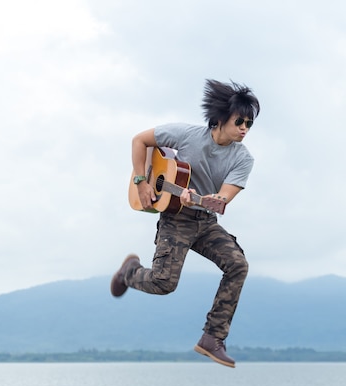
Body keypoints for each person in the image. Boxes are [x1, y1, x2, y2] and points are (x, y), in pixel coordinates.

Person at [110, 79, 260, 368]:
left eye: (249, 123)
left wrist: (210, 198)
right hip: (175, 218)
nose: (244, 128)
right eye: (239, 121)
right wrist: (142, 181)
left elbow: (225, 196)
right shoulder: (186, 135)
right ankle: (130, 272)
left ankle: (212, 338)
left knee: (238, 265)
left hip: (205, 219)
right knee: (164, 283)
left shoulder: (243, 158)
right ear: (219, 119)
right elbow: (139, 140)